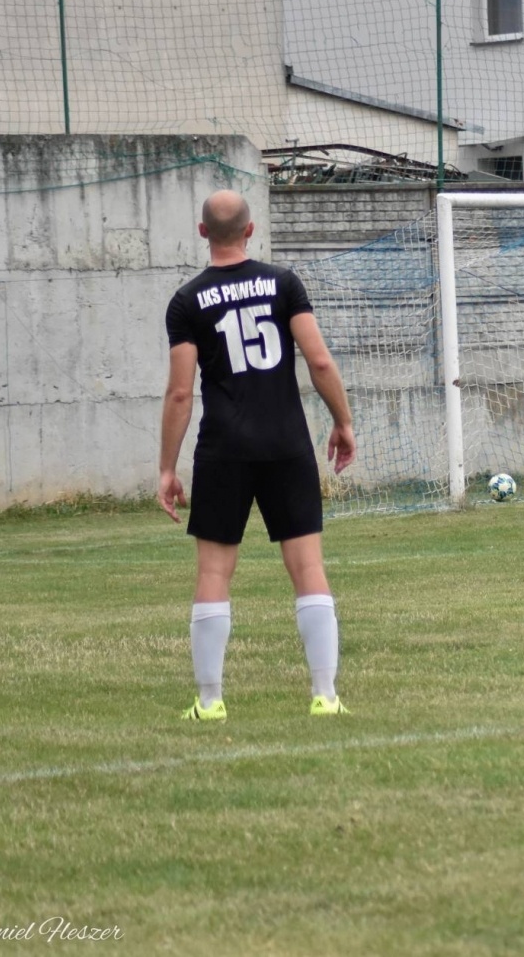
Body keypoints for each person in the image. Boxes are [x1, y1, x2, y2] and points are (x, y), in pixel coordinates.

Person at [160, 189, 356, 720]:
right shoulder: (283, 284)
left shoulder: (186, 301)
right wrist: (342, 422)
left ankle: (210, 701)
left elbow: (180, 393)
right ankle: (325, 695)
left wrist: (165, 467)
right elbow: (317, 361)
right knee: (308, 566)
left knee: (214, 574)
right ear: (250, 231)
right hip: (287, 444)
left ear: (203, 233)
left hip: (223, 448)